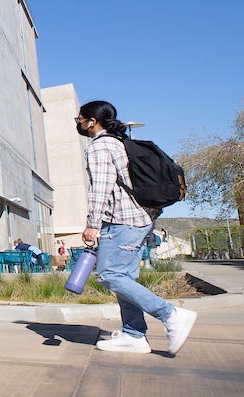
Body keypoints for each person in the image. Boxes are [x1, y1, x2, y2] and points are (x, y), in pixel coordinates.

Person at [79, 100, 197, 354]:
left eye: (79, 119)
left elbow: (100, 188)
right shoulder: (120, 143)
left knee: (109, 275)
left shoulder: (100, 146)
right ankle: (134, 335)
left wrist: (92, 224)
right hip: (140, 219)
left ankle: (171, 315)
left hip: (121, 220)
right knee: (125, 277)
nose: (78, 124)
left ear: (92, 121)